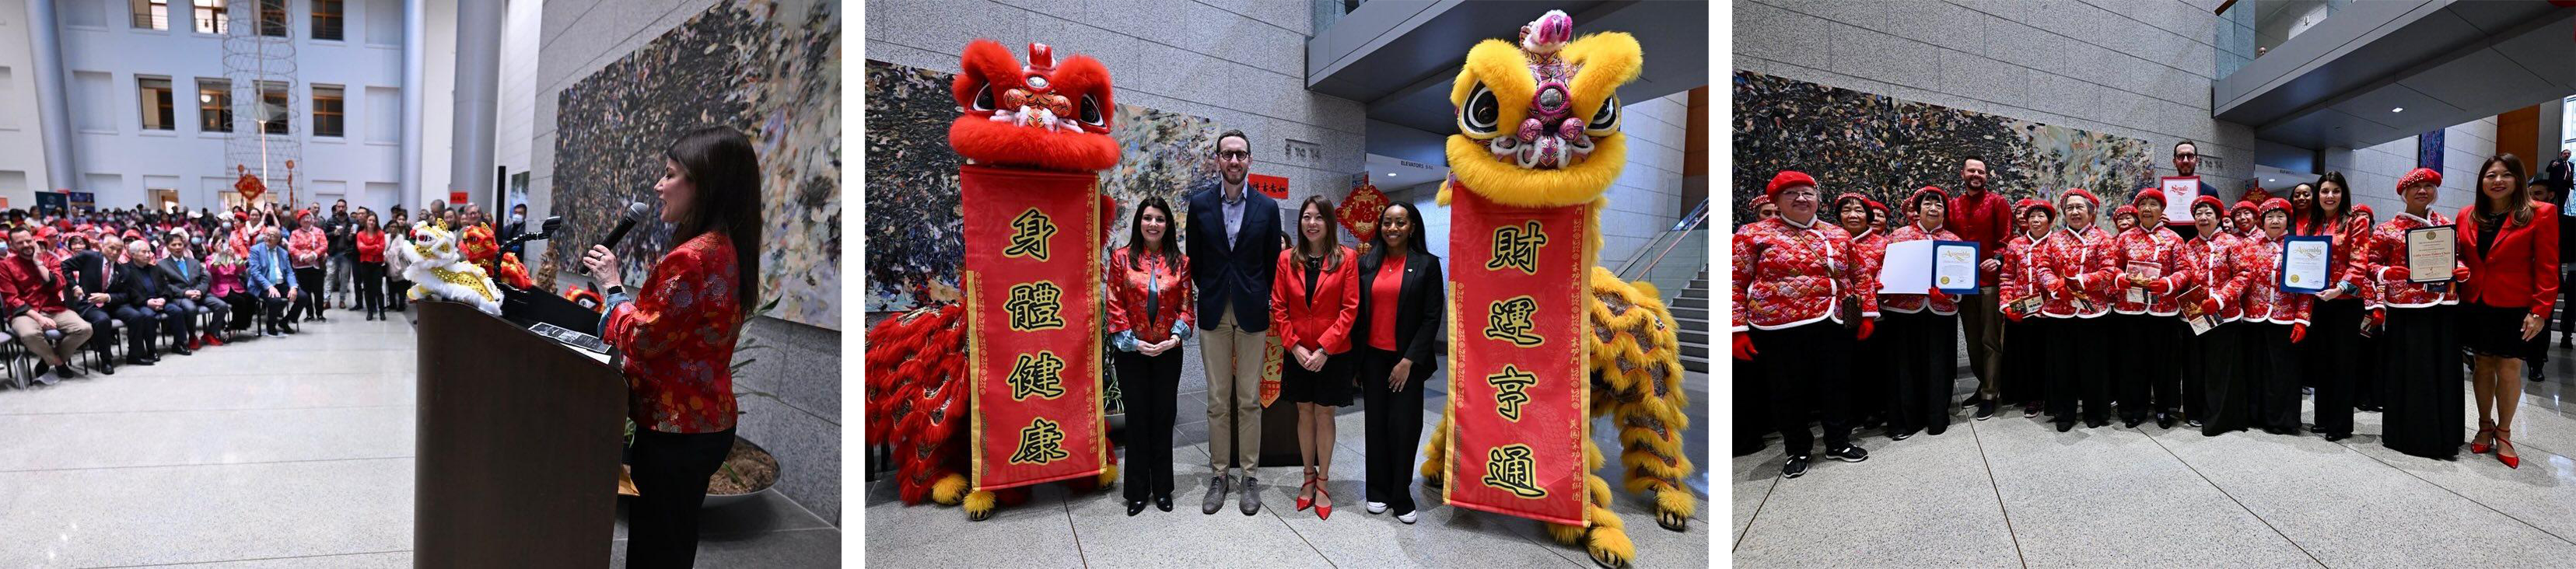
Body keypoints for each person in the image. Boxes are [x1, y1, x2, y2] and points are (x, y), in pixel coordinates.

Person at [579, 127, 761, 568]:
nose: (659, 187)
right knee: (674, 541)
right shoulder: (726, 248)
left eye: (670, 174)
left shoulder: (691, 258)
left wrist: (614, 289)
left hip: (675, 431)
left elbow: (643, 340)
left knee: (656, 549)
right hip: (705, 423)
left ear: (704, 183)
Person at [1733, 171, 1874, 479]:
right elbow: (1734, 281)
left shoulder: (1838, 235)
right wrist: (1737, 329)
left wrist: (1867, 314)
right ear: (1776, 200)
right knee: (1787, 390)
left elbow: (1859, 275)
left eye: (1807, 192)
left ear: (1818, 198)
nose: (1801, 199)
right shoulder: (1752, 234)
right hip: (1778, 328)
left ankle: (1838, 441)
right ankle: (1797, 448)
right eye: (1791, 193)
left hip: (1833, 321)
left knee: (1837, 384)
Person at [1183, 129, 1283, 515]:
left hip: (1253, 312)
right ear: (1218, 160)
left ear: (1250, 160)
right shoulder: (1201, 205)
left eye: (1241, 154)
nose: (1234, 161)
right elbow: (1195, 257)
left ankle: (1250, 476)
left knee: (1248, 399)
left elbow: (1272, 262)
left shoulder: (1267, 208)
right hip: (1214, 311)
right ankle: (1220, 475)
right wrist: (1212, 290)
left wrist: (1257, 295)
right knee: (1216, 399)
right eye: (1228, 155)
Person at [2458, 154, 2555, 470]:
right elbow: (2460, 257)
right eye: (2490, 175)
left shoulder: (2541, 213)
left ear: (2518, 180)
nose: (2497, 181)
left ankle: (2505, 432)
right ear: (2481, 182)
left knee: (2510, 368)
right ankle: (2484, 426)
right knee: (2483, 365)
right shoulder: (2467, 215)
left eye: (2505, 175)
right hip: (2476, 302)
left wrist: (2540, 309)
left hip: (2516, 305)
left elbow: (2547, 265)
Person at [2365, 168, 2466, 459]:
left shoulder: (2446, 224)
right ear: (2403, 193)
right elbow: (2370, 265)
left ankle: (2445, 434)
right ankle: (2410, 434)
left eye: (2429, 186)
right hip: (2407, 308)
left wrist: (2461, 271)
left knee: (2442, 370)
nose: (2423, 191)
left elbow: (2456, 257)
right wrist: (2386, 272)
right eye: (2415, 187)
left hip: (2443, 305)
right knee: (2411, 371)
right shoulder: (2388, 229)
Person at [1353, 201, 1441, 522]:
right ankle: (1376, 490)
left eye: (1400, 222)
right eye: (1387, 222)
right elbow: (1357, 314)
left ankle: (1400, 494)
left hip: (1407, 361)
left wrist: (1408, 361)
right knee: (1375, 425)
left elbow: (1432, 318)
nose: (1392, 228)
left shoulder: (1427, 264)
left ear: (1412, 227)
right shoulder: (1367, 263)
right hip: (1372, 358)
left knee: (1404, 427)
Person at [1105, 197, 1193, 516]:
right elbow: (1113, 305)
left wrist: (1173, 339)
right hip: (1133, 353)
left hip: (1169, 353)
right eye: (1147, 218)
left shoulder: (1181, 262)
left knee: (1163, 417)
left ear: (1167, 224)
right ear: (1139, 222)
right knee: (1139, 419)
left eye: (1159, 219)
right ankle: (1138, 490)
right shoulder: (1121, 259)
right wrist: (1134, 342)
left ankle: (1163, 489)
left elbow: (1187, 308)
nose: (1153, 224)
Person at [1271, 195, 1357, 520]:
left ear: (1329, 222)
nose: (1311, 223)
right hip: (1297, 352)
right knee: (1304, 413)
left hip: (1331, 354)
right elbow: (1279, 306)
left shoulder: (1346, 258)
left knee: (1325, 415)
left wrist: (1324, 348)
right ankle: (1307, 477)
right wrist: (1294, 346)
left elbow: (1350, 309)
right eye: (1306, 217)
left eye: (1318, 217)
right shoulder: (1286, 259)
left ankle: (1323, 481)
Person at [2098, 188, 2189, 429]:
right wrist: (2120, 278)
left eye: (2153, 204)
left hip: (2164, 310)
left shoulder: (2174, 238)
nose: (2147, 209)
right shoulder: (2125, 238)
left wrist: (2169, 283)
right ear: (2137, 211)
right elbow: (2112, 266)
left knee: (2164, 363)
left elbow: (2185, 270)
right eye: (2143, 205)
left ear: (2162, 210)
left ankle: (2163, 408)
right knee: (2133, 361)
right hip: (2130, 309)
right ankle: (2134, 408)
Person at [2296, 173, 2372, 442]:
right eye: (2325, 191)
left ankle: (2340, 425)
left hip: (2345, 303)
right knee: (2322, 362)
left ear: (2344, 194)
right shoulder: (2312, 225)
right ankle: (2322, 418)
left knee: (2343, 363)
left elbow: (2359, 264)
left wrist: (2339, 289)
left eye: (2336, 191)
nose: (2330, 196)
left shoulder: (2356, 221)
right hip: (2319, 302)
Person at [1881, 187, 1962, 438]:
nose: (1934, 208)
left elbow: (1962, 282)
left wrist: (1950, 294)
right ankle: (1906, 421)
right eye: (1928, 203)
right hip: (1904, 311)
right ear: (1917, 210)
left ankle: (1937, 417)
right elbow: (1884, 271)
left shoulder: (1954, 241)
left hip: (1941, 311)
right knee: (1905, 366)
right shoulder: (1898, 237)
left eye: (1939, 205)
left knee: (1940, 365)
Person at [2236, 199, 2313, 435]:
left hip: (2285, 317)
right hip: (2253, 318)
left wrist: (2302, 319)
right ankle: (2254, 415)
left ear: (2288, 220)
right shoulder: (2249, 247)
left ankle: (2279, 419)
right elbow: (2241, 279)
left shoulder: (2299, 247)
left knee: (2281, 372)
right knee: (2254, 368)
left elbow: (2307, 288)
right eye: (2270, 217)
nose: (2275, 221)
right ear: (2262, 221)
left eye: (2280, 216)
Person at [1948, 155, 2014, 421]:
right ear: (1962, 173)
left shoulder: (1998, 202)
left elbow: (2006, 240)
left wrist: (1997, 259)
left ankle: (1990, 393)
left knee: (1990, 340)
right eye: (1972, 170)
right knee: (1973, 342)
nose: (1977, 175)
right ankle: (1982, 382)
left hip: (1989, 284)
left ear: (1987, 176)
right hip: (1963, 285)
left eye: (1982, 171)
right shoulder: (1952, 206)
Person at [2189, 198, 2255, 435]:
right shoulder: (2190, 246)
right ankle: (2197, 412)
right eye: (2199, 214)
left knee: (2221, 368)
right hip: (2196, 316)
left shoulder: (2232, 243)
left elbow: (2244, 275)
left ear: (2218, 218)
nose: (2203, 218)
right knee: (2199, 366)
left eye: (2208, 213)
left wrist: (2220, 298)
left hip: (2225, 315)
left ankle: (2220, 418)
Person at [0, 228, 92, 385]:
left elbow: (59, 285)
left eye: (29, 240)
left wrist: (38, 263)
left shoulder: (50, 260)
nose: (26, 245)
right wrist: (38, 318)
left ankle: (46, 360)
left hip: (54, 308)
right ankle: (57, 362)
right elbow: (12, 298)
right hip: (25, 312)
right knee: (29, 335)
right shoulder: (5, 266)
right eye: (20, 243)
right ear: (12, 246)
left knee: (85, 329)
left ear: (34, 240)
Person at [1835, 193, 1892, 431]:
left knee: (1873, 363)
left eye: (1858, 210)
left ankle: (1874, 409)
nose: (1853, 215)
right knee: (1844, 364)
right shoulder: (1832, 240)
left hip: (1874, 312)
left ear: (1868, 216)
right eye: (1847, 210)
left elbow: (1887, 272)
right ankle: (1851, 411)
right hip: (1838, 313)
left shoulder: (1883, 243)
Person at [1997, 198, 2055, 425]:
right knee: (2026, 354)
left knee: (2048, 355)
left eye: (2041, 216)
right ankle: (2030, 396)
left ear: (2050, 221)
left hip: (2050, 311)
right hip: (2022, 309)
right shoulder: (2015, 245)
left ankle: (2047, 395)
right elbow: (2007, 277)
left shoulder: (2057, 242)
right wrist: (2007, 305)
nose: (2036, 220)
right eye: (2032, 217)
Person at [108, 240, 180, 361]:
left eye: (149, 252)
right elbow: (129, 292)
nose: (148, 255)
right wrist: (147, 303)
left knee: (177, 311)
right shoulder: (125, 270)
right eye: (144, 252)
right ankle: (152, 350)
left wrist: (163, 299)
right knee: (148, 316)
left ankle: (179, 344)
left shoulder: (155, 268)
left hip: (160, 300)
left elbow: (166, 287)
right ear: (133, 254)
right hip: (140, 303)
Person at [156, 235, 225, 351]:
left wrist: (199, 290)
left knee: (222, 306)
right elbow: (166, 285)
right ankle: (192, 336)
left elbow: (205, 279)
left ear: (184, 246)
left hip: (199, 293)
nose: (178, 247)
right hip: (180, 296)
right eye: (174, 245)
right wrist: (185, 293)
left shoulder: (194, 262)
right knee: (190, 309)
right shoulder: (162, 265)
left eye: (180, 244)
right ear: (168, 247)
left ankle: (210, 333)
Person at [247, 227, 299, 337]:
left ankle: (285, 321)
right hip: (262, 285)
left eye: (272, 236)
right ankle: (271, 326)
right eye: (267, 234)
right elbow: (255, 273)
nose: (268, 237)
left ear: (278, 239)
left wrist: (293, 287)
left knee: (303, 297)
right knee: (275, 301)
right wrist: (269, 286)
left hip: (280, 283)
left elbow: (289, 272)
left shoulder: (283, 253)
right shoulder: (255, 250)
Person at [2168, 141, 2214, 240]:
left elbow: (2218, 225)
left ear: (2197, 161)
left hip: (2200, 249)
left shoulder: (2210, 193)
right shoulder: (2162, 192)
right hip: (2169, 248)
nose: (2185, 160)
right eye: (2180, 156)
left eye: (2190, 156)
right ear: (2174, 162)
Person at [208, 242, 254, 339]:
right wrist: (220, 256)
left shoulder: (232, 258)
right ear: (214, 246)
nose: (223, 247)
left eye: (225, 245)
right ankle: (233, 328)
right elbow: (212, 270)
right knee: (239, 301)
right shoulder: (211, 258)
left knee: (252, 298)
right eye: (220, 245)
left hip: (235, 286)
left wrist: (235, 257)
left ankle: (241, 324)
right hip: (220, 288)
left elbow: (242, 269)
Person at [288, 212, 327, 323]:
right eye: (303, 218)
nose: (306, 220)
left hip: (317, 266)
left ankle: (320, 314)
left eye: (308, 218)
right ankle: (310, 314)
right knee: (306, 292)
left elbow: (324, 246)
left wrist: (314, 255)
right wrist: (303, 256)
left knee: (319, 291)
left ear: (312, 219)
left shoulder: (319, 232)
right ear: (299, 221)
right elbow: (291, 248)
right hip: (301, 267)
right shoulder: (295, 233)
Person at [355, 213, 388, 321]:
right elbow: (361, 249)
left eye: (373, 220)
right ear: (366, 221)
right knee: (368, 290)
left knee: (378, 289)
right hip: (365, 264)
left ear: (376, 222)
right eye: (370, 220)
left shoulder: (381, 234)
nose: (371, 222)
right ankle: (370, 312)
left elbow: (381, 249)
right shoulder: (360, 234)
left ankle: (382, 312)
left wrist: (368, 248)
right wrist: (374, 247)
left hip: (377, 264)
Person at [325, 199, 353, 310]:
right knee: (329, 277)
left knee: (345, 278)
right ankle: (326, 300)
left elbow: (353, 238)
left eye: (343, 206)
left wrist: (351, 237)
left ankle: (342, 300)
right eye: (339, 206)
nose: (341, 208)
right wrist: (333, 233)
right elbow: (323, 235)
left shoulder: (351, 221)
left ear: (346, 208)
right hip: (332, 253)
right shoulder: (330, 221)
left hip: (346, 254)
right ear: (336, 208)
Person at [386, 211, 414, 312]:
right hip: (389, 266)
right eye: (391, 227)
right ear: (388, 228)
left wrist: (388, 254)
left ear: (397, 229)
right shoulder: (386, 237)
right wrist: (388, 253)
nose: (393, 229)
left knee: (401, 286)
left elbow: (399, 250)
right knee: (391, 286)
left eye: (395, 227)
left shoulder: (400, 237)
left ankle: (401, 304)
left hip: (401, 265)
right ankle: (392, 304)